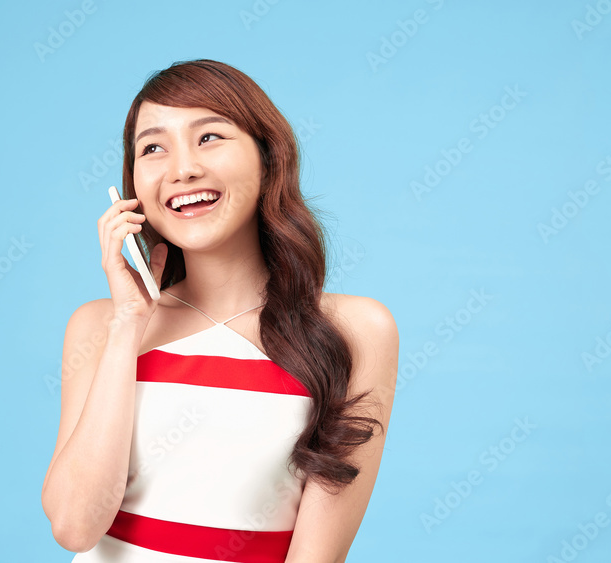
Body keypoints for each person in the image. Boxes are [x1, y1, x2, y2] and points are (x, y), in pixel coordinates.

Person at [42, 59, 399, 562]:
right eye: (153, 148)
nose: (182, 168)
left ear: (267, 158)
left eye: (209, 137)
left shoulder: (354, 331)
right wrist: (127, 328)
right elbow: (75, 527)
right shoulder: (100, 326)